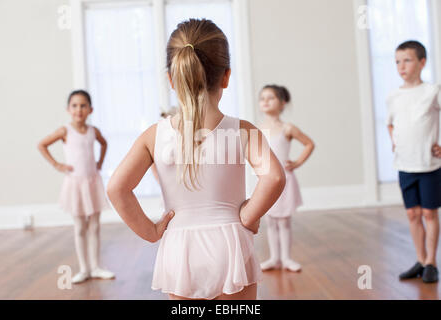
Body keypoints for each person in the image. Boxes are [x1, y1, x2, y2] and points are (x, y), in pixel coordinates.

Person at [106, 18, 286, 300]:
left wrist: (152, 232)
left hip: (180, 250)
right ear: (226, 77)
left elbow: (117, 188)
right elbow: (274, 176)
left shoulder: (154, 135)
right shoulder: (242, 130)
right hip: (231, 246)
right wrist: (250, 213)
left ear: (171, 79)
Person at [38, 90, 115, 284]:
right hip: (75, 184)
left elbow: (104, 143)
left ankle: (96, 266)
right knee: (80, 226)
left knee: (95, 225)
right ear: (68, 109)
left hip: (92, 181)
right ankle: (84, 268)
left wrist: (100, 162)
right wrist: (58, 165)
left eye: (83, 106)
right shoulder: (65, 131)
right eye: (74, 106)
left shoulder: (93, 131)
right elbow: (42, 145)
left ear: (90, 109)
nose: (78, 110)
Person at [386, 40, 441, 283]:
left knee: (429, 213)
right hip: (404, 165)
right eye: (397, 61)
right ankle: (420, 259)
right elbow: (390, 123)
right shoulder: (394, 96)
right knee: (413, 214)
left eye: (407, 60)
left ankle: (431, 262)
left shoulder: (432, 91)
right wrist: (394, 140)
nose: (401, 66)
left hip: (428, 164)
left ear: (422, 62)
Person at [258, 85, 314, 272]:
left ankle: (286, 258)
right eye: (262, 98)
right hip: (266, 181)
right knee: (270, 220)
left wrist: (296, 163)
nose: (265, 101)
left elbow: (309, 144)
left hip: (284, 180)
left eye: (270, 98)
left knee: (283, 220)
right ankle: (274, 258)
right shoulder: (257, 129)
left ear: (282, 103)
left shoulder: (287, 128)